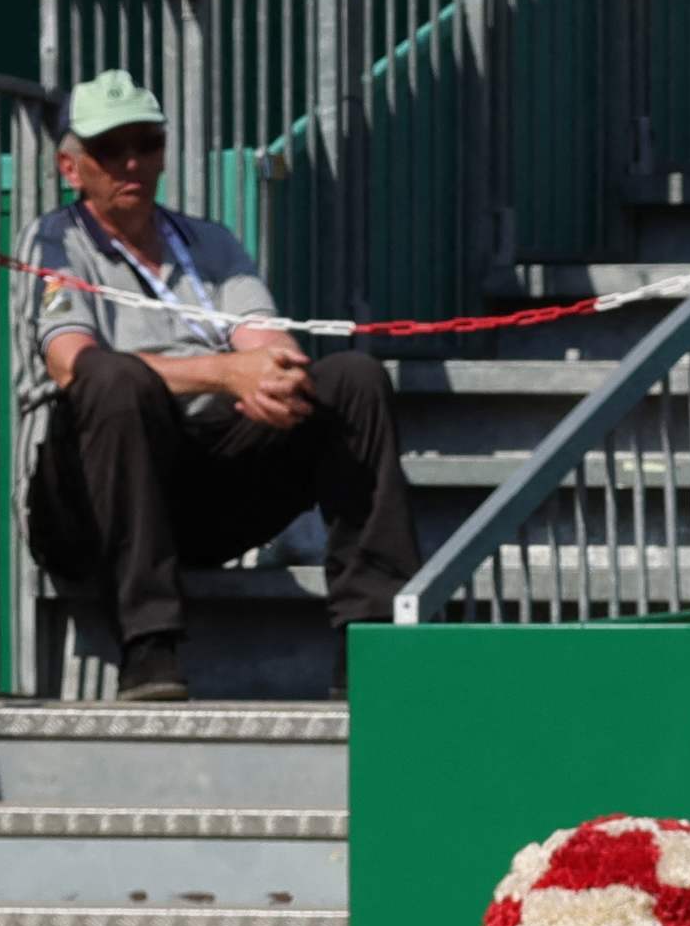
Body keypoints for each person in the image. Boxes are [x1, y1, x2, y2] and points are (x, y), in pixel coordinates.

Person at [20, 68, 411, 696]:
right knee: (116, 381)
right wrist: (226, 373)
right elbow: (72, 363)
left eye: (146, 143)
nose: (131, 162)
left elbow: (267, 343)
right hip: (90, 501)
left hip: (201, 483)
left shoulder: (209, 241)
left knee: (352, 380)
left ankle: (376, 640)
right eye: (108, 149)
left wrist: (272, 377)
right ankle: (148, 644)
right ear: (72, 168)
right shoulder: (55, 243)